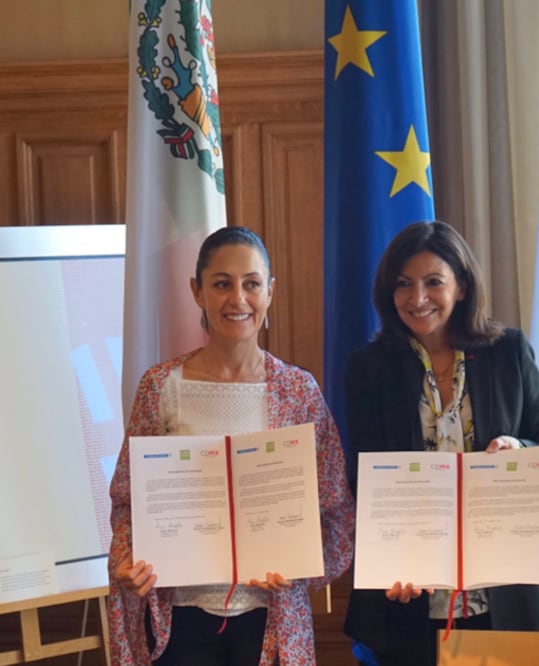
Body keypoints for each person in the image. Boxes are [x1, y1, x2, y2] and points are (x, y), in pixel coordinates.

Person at [107, 226, 354, 666]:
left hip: (268, 619)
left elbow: (335, 509)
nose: (237, 299)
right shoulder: (161, 386)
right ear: (197, 291)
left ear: (270, 292)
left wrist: (302, 567)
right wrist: (128, 561)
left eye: (251, 284)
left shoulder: (298, 392)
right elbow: (128, 501)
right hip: (177, 616)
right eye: (222, 284)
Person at [343, 220, 539, 666]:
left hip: (505, 593)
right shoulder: (368, 369)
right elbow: (363, 480)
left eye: (433, 282)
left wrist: (518, 449)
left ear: (461, 287)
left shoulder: (508, 352)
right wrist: (391, 560)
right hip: (407, 594)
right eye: (404, 284)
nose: (417, 298)